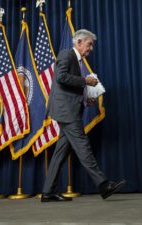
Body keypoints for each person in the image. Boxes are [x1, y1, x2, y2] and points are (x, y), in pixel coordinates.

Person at [41, 29, 126, 202]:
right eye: (89, 44)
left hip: (68, 110)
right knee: (83, 147)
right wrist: (85, 81)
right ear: (79, 42)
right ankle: (103, 185)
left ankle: (47, 192)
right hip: (67, 112)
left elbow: (70, 88)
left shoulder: (77, 60)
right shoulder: (66, 55)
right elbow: (61, 77)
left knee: (60, 153)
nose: (91, 49)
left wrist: (87, 98)